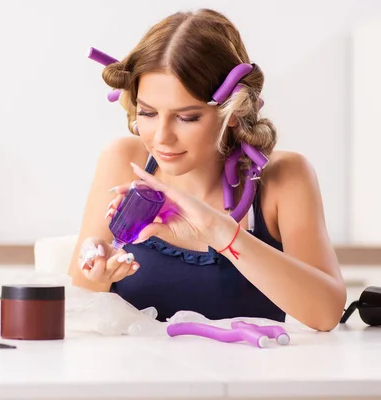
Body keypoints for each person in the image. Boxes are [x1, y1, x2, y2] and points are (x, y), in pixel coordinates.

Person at [68, 8, 346, 331]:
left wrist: (221, 233)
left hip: (250, 380)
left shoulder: (283, 179)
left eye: (187, 117)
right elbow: (80, 300)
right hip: (137, 378)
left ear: (233, 111)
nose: (161, 137)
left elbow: (326, 314)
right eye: (147, 112)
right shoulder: (123, 161)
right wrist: (98, 271)